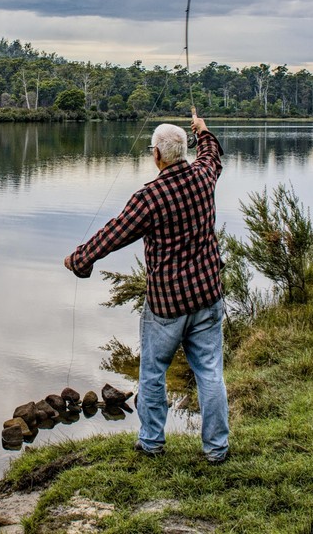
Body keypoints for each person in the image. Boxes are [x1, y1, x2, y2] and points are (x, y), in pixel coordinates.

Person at [64, 109, 229, 464]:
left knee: (153, 374)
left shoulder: (150, 197)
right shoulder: (203, 177)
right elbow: (212, 155)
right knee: (211, 373)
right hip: (207, 296)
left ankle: (152, 442)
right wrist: (203, 130)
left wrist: (81, 259)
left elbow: (115, 232)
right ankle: (216, 449)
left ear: (156, 155)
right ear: (182, 152)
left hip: (167, 305)